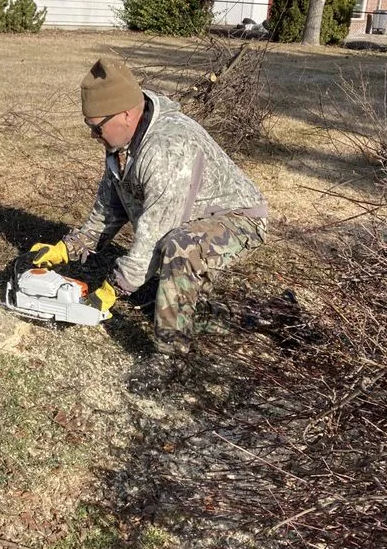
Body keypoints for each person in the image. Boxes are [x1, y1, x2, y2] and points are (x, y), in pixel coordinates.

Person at [29, 57, 268, 378]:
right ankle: (228, 317)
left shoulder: (168, 148)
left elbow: (157, 234)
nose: (93, 137)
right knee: (169, 293)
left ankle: (171, 361)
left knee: (180, 248)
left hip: (238, 220)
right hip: (189, 217)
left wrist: (113, 289)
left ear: (126, 114)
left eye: (95, 128)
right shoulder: (122, 142)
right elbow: (109, 207)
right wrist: (69, 247)